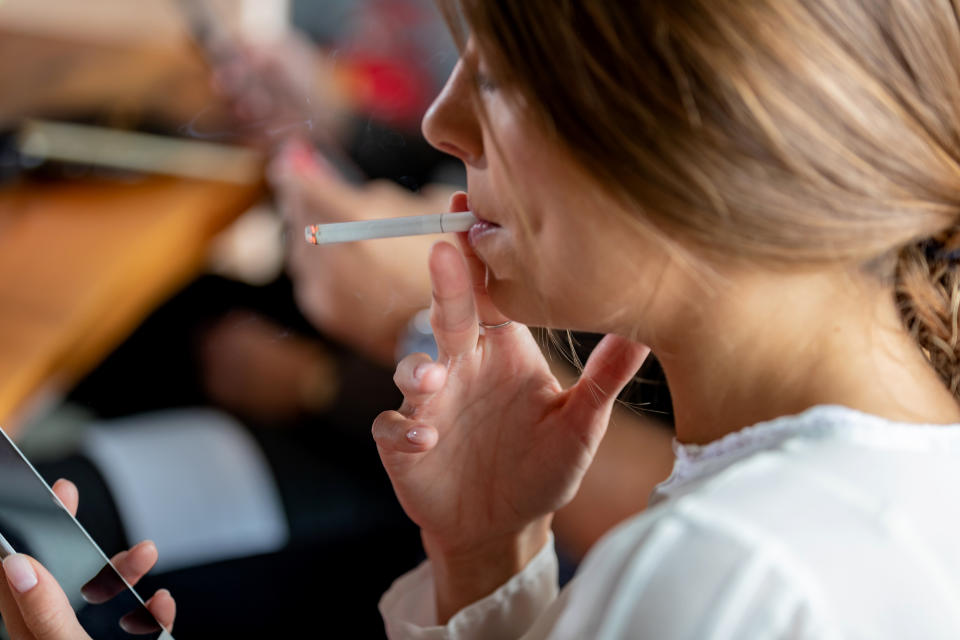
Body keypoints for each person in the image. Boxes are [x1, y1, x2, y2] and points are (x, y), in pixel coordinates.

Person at [370, 1, 960, 638]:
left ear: (712, 110)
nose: (441, 122)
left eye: (498, 73)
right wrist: (487, 555)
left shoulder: (724, 569)